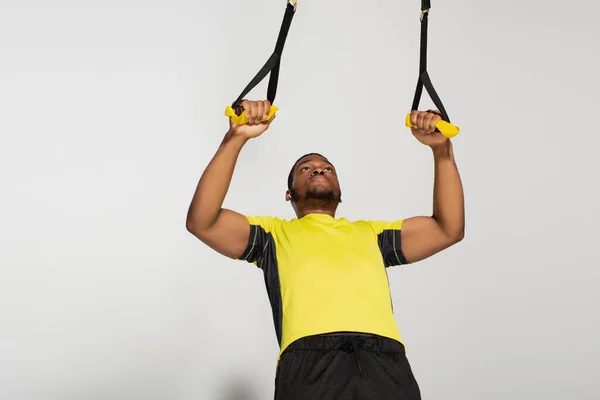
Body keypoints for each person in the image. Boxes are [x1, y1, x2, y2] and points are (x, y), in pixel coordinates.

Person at [186, 99, 465, 400]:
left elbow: (448, 229)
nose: (318, 170)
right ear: (289, 193)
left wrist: (442, 151)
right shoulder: (272, 235)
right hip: (309, 365)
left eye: (326, 168)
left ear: (340, 192)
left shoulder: (372, 234)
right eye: (306, 168)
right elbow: (203, 222)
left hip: (384, 363)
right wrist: (236, 138)